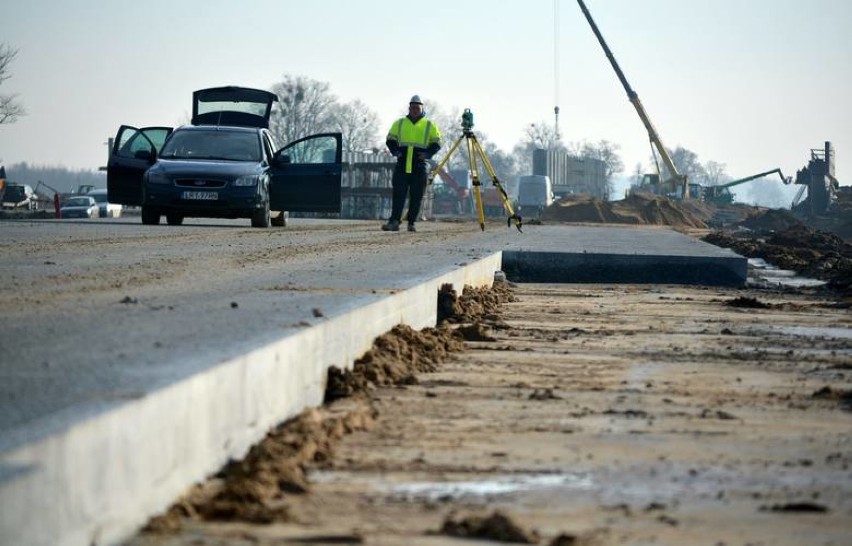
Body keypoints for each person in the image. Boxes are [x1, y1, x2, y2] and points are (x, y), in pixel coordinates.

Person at [382, 95, 442, 232]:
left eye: (417, 108)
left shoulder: (429, 125)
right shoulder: (400, 123)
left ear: (422, 108)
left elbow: (437, 142)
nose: (415, 110)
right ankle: (394, 221)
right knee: (398, 194)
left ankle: (411, 223)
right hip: (402, 164)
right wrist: (395, 151)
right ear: (409, 108)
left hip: (420, 165)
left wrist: (427, 154)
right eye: (413, 107)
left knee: (417, 196)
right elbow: (390, 139)